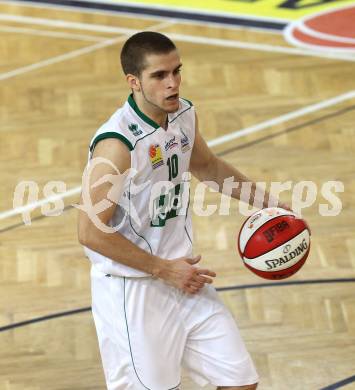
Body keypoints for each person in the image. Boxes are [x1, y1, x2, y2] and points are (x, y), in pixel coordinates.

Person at [78, 31, 282, 390]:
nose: (172, 84)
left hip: (185, 276)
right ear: (134, 82)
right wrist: (163, 269)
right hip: (133, 290)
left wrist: (272, 205)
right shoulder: (117, 145)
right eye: (159, 76)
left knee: (240, 382)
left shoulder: (183, 114)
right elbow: (90, 232)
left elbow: (207, 166)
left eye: (176, 71)